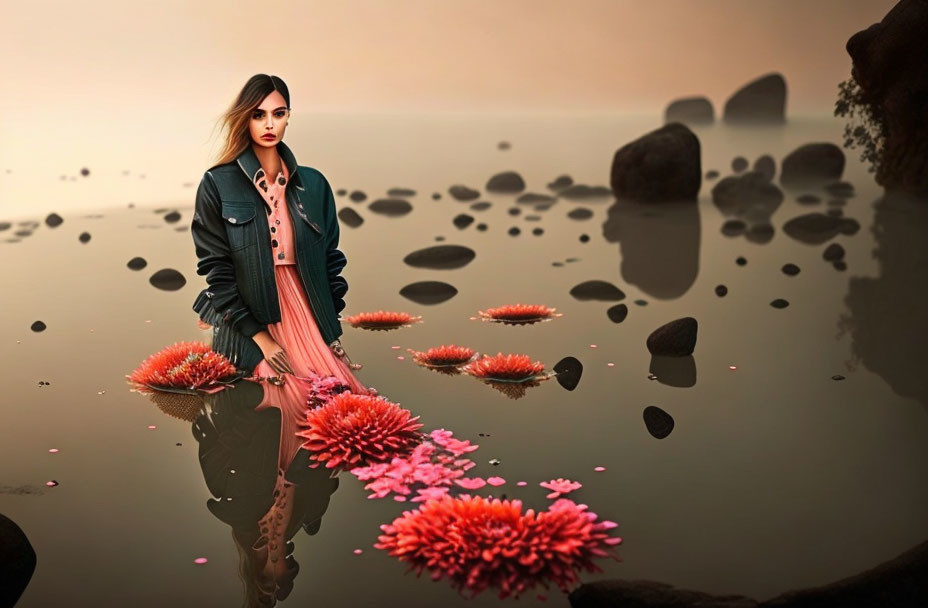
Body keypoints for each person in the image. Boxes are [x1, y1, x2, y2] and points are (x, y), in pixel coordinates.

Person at [191, 74, 373, 409]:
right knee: (280, 400)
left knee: (335, 402)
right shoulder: (217, 183)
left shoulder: (315, 184)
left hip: (305, 304)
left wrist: (330, 331)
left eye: (279, 113)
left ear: (289, 116)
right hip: (252, 311)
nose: (269, 123)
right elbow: (216, 268)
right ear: (244, 119)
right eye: (258, 115)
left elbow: (331, 259)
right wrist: (262, 339)